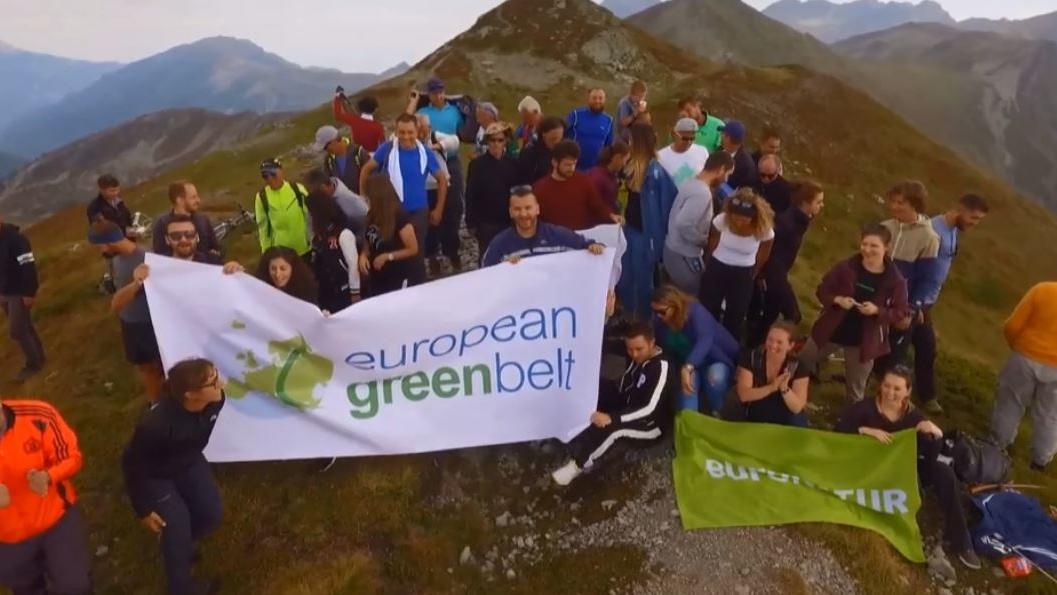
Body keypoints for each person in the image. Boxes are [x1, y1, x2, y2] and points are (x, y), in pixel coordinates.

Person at [836, 367, 980, 570]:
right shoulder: (865, 408)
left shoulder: (913, 416)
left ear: (907, 392)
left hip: (904, 468)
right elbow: (838, 432)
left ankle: (961, 541)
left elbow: (929, 457)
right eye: (886, 386)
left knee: (944, 473)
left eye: (897, 388)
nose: (890, 393)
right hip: (871, 468)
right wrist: (865, 431)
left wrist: (930, 434)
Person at [122, 358, 226, 594]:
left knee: (211, 514)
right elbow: (132, 464)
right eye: (212, 381)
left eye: (216, 374)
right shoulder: (154, 426)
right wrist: (143, 509)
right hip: (157, 475)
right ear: (192, 395)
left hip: (189, 461)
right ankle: (181, 586)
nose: (220, 382)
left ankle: (182, 543)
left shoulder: (215, 401)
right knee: (175, 526)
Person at [551, 322, 673, 485]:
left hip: (649, 425)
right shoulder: (633, 351)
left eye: (639, 349)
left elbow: (649, 408)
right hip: (627, 403)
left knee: (612, 429)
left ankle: (577, 465)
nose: (634, 354)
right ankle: (571, 424)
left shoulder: (660, 368)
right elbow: (604, 343)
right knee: (597, 386)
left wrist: (612, 418)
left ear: (652, 343)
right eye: (630, 349)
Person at [799, 224, 909, 403]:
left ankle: (851, 424)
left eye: (874, 246)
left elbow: (900, 312)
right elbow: (823, 290)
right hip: (830, 331)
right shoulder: (846, 266)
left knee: (855, 391)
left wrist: (877, 311)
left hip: (863, 342)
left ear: (886, 248)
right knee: (801, 363)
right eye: (864, 244)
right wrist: (837, 300)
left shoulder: (895, 280)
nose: (867, 249)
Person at [0, 398, 91, 595]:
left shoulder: (38, 414)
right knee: (26, 589)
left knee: (74, 587)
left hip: (55, 521)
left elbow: (71, 456)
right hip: (7, 539)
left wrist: (49, 476)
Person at [911, 194, 990, 412]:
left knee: (926, 348)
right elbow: (916, 267)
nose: (974, 224)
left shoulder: (954, 231)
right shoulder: (933, 231)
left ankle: (925, 395)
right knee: (902, 345)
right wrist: (914, 303)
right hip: (914, 300)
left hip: (926, 302)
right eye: (973, 218)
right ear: (959, 209)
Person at [88, 220, 165, 400]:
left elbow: (116, 304)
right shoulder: (116, 259)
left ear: (108, 243)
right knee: (144, 367)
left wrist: (134, 286)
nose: (100, 252)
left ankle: (158, 402)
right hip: (130, 322)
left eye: (99, 247)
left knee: (154, 368)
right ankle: (156, 401)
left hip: (146, 322)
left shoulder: (147, 258)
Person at [875, 181, 941, 382]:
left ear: (915, 204)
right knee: (866, 345)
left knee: (893, 355)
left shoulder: (929, 237)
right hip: (876, 299)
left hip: (902, 308)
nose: (894, 206)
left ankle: (887, 393)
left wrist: (911, 310)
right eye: (893, 201)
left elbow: (927, 280)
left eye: (900, 202)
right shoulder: (885, 227)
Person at [746, 181, 825, 346]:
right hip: (773, 276)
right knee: (789, 315)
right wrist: (762, 274)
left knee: (770, 314)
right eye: (818, 202)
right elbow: (769, 249)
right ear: (805, 203)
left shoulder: (801, 220)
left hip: (779, 275)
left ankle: (761, 343)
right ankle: (763, 345)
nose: (821, 205)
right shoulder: (786, 223)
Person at [990, 280, 1057, 472]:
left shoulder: (1042, 290)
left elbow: (1012, 325)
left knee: (1010, 402)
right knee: (1050, 414)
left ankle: (998, 444)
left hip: (1025, 356)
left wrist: (1018, 347)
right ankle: (1040, 460)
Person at [359, 113, 447, 258]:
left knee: (416, 252)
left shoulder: (425, 152)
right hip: (391, 212)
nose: (406, 136)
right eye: (402, 132)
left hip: (418, 212)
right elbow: (366, 170)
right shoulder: (386, 149)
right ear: (396, 131)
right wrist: (363, 197)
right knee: (392, 250)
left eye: (410, 132)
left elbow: (442, 180)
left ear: (417, 132)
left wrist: (438, 209)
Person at [699, 188, 775, 343]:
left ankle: (727, 344)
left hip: (744, 271)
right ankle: (704, 337)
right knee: (708, 305)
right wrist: (709, 261)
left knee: (736, 312)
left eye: (744, 218)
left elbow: (765, 250)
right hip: (718, 266)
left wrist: (754, 270)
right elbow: (713, 239)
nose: (739, 221)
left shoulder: (764, 229)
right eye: (736, 216)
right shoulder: (722, 220)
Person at [619, 124, 679, 320]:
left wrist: (657, 242)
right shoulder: (630, 167)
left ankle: (644, 322)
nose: (626, 143)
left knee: (642, 282)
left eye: (629, 140)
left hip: (645, 236)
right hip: (629, 229)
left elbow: (667, 206)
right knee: (625, 277)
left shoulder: (655, 172)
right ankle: (627, 315)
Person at [651, 285, 739, 416]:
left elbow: (705, 340)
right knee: (687, 390)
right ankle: (690, 423)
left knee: (715, 377)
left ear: (675, 306)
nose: (658, 316)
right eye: (654, 311)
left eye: (662, 312)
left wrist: (688, 367)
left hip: (712, 359)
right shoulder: (659, 323)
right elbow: (660, 345)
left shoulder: (696, 312)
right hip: (688, 363)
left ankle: (719, 412)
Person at [663, 151, 734, 296]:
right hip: (684, 255)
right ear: (720, 169)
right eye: (727, 174)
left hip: (673, 250)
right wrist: (703, 240)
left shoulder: (692, 181)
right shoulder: (702, 193)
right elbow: (683, 223)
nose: (726, 180)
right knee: (691, 299)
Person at [408, 78, 465, 254]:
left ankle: (451, 249)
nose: (438, 96)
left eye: (441, 92)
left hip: (450, 158)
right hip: (426, 164)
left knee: (453, 204)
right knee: (428, 207)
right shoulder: (423, 111)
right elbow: (406, 120)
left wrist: (440, 146)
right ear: (429, 95)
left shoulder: (455, 111)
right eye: (434, 93)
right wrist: (414, 101)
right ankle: (431, 253)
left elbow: (459, 136)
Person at [481, 187, 605, 267]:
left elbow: (588, 245)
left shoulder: (557, 235)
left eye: (528, 208)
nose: (523, 214)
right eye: (517, 209)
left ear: (537, 209)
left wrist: (594, 247)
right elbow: (485, 273)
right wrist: (503, 268)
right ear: (510, 212)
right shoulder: (500, 244)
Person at [358, 174, 424, 295]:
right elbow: (368, 240)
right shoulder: (372, 215)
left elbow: (413, 248)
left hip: (399, 276)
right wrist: (363, 255)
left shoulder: (401, 218)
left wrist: (388, 256)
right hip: (378, 277)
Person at [736, 321, 810, 426]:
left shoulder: (798, 367)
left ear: (790, 345)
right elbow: (743, 395)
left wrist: (784, 389)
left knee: (798, 420)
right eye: (770, 339)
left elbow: (797, 407)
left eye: (779, 342)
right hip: (757, 409)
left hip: (785, 413)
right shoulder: (752, 358)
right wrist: (772, 387)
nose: (773, 345)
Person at [533, 140, 618, 231]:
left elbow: (597, 207)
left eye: (574, 164)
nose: (572, 168)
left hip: (581, 238)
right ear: (554, 162)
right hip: (554, 239)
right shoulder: (540, 188)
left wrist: (611, 216)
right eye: (567, 165)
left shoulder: (584, 181)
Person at [466, 122, 521, 263]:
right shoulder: (477, 165)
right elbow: (470, 194)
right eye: (492, 140)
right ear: (487, 142)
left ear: (505, 141)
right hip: (486, 222)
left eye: (500, 140)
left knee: (511, 257)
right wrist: (470, 222)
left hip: (509, 220)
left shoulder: (514, 164)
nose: (496, 144)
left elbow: (519, 193)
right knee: (487, 257)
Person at [415, 113, 461, 274]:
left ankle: (453, 254)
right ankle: (432, 257)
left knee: (450, 222)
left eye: (424, 128)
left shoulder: (435, 137)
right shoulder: (411, 144)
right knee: (428, 227)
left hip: (444, 186)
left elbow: (455, 141)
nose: (421, 133)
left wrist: (438, 146)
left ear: (430, 128)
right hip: (424, 190)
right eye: (418, 129)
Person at [0, 217, 44, 381]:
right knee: (25, 326)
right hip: (4, 292)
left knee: (17, 330)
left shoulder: (16, 239)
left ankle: (33, 365)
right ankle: (39, 358)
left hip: (19, 291)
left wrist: (29, 292)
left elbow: (28, 266)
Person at [305, 192, 360, 313]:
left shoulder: (343, 234)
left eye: (310, 212)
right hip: (326, 293)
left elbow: (353, 265)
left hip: (344, 294)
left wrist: (355, 292)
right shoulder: (317, 236)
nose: (308, 216)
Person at [222, 246, 319, 305]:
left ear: (293, 269)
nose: (278, 274)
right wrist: (236, 272)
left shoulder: (307, 290)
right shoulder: (259, 287)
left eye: (283, 268)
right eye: (273, 268)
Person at [87, 173, 134, 294]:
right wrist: (104, 246)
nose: (115, 193)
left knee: (129, 266)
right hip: (111, 244)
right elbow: (98, 228)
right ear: (102, 190)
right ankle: (113, 289)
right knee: (114, 269)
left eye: (117, 189)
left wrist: (132, 231)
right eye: (111, 191)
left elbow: (126, 218)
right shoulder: (95, 207)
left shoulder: (119, 202)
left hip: (126, 240)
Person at [254, 158, 310, 257]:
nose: (270, 179)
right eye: (265, 176)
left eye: (273, 174)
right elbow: (263, 229)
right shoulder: (262, 197)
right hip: (282, 254)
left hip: (304, 249)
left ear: (281, 171)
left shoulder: (297, 189)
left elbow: (311, 215)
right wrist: (266, 253)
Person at [152, 180, 221, 258]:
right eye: (193, 197)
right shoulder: (162, 223)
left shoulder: (203, 220)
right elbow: (160, 256)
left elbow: (216, 249)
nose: (198, 200)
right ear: (179, 200)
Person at [302, 168, 368, 234]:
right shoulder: (315, 201)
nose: (311, 197)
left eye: (313, 194)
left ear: (323, 187)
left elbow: (368, 222)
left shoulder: (353, 201)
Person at [565, 88, 614, 171]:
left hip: (594, 170)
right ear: (588, 99)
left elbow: (608, 146)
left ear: (605, 100)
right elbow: (561, 134)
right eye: (594, 98)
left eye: (600, 98)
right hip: (572, 166)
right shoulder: (576, 115)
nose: (597, 101)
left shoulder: (609, 120)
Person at [314, 125, 371, 194]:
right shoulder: (328, 160)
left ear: (334, 140)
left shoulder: (359, 153)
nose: (325, 150)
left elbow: (372, 178)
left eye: (325, 147)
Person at [657, 118, 710, 186]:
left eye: (692, 138)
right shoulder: (660, 156)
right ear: (674, 134)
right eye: (685, 138)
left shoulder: (702, 151)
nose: (689, 142)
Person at [518, 116, 566, 185]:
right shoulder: (529, 153)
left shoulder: (562, 152)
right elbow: (523, 181)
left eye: (560, 138)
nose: (557, 142)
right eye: (553, 138)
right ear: (543, 134)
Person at [587, 141, 629, 213]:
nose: (624, 165)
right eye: (625, 160)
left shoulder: (610, 175)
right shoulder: (598, 177)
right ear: (618, 157)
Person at [721, 120, 758, 191]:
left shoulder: (745, 165)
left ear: (727, 138)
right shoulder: (721, 150)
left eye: (723, 133)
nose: (721, 135)